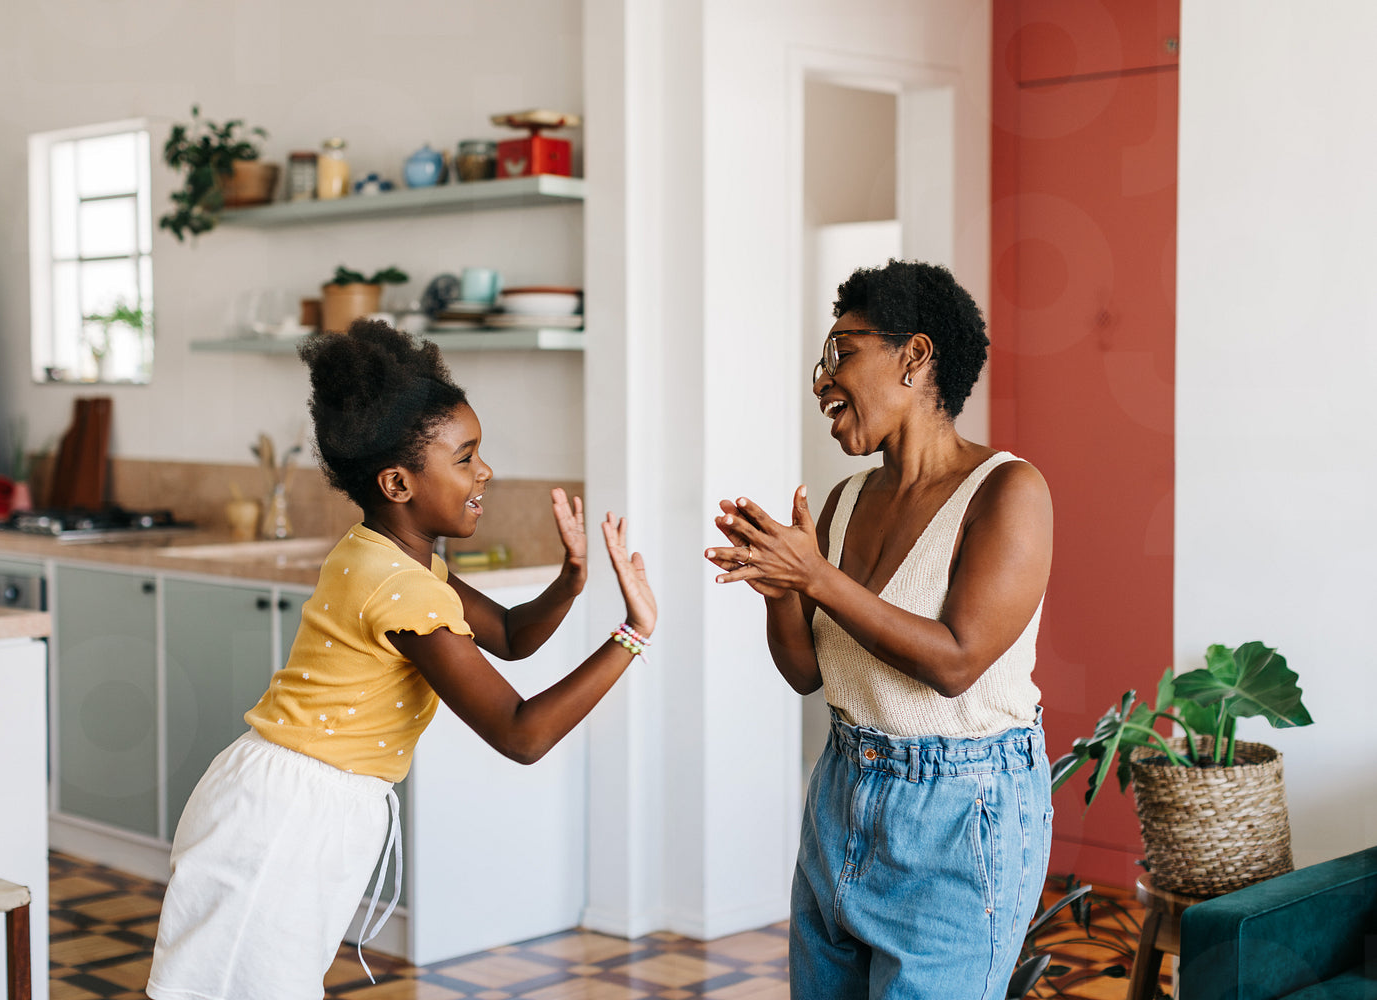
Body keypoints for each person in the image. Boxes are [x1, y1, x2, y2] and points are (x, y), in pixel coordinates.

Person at [147, 319, 656, 1000]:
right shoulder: (401, 587)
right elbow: (521, 734)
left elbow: (509, 634)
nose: (485, 472)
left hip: (293, 802)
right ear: (397, 482)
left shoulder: (390, 557)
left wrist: (571, 578)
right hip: (285, 816)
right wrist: (633, 634)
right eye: (466, 458)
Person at [705, 260, 1053, 999]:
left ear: (914, 356)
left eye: (842, 352)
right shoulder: (844, 500)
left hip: (962, 813)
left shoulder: (1008, 491)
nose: (822, 382)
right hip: (842, 792)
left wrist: (816, 578)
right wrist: (780, 590)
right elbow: (807, 673)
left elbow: (956, 662)